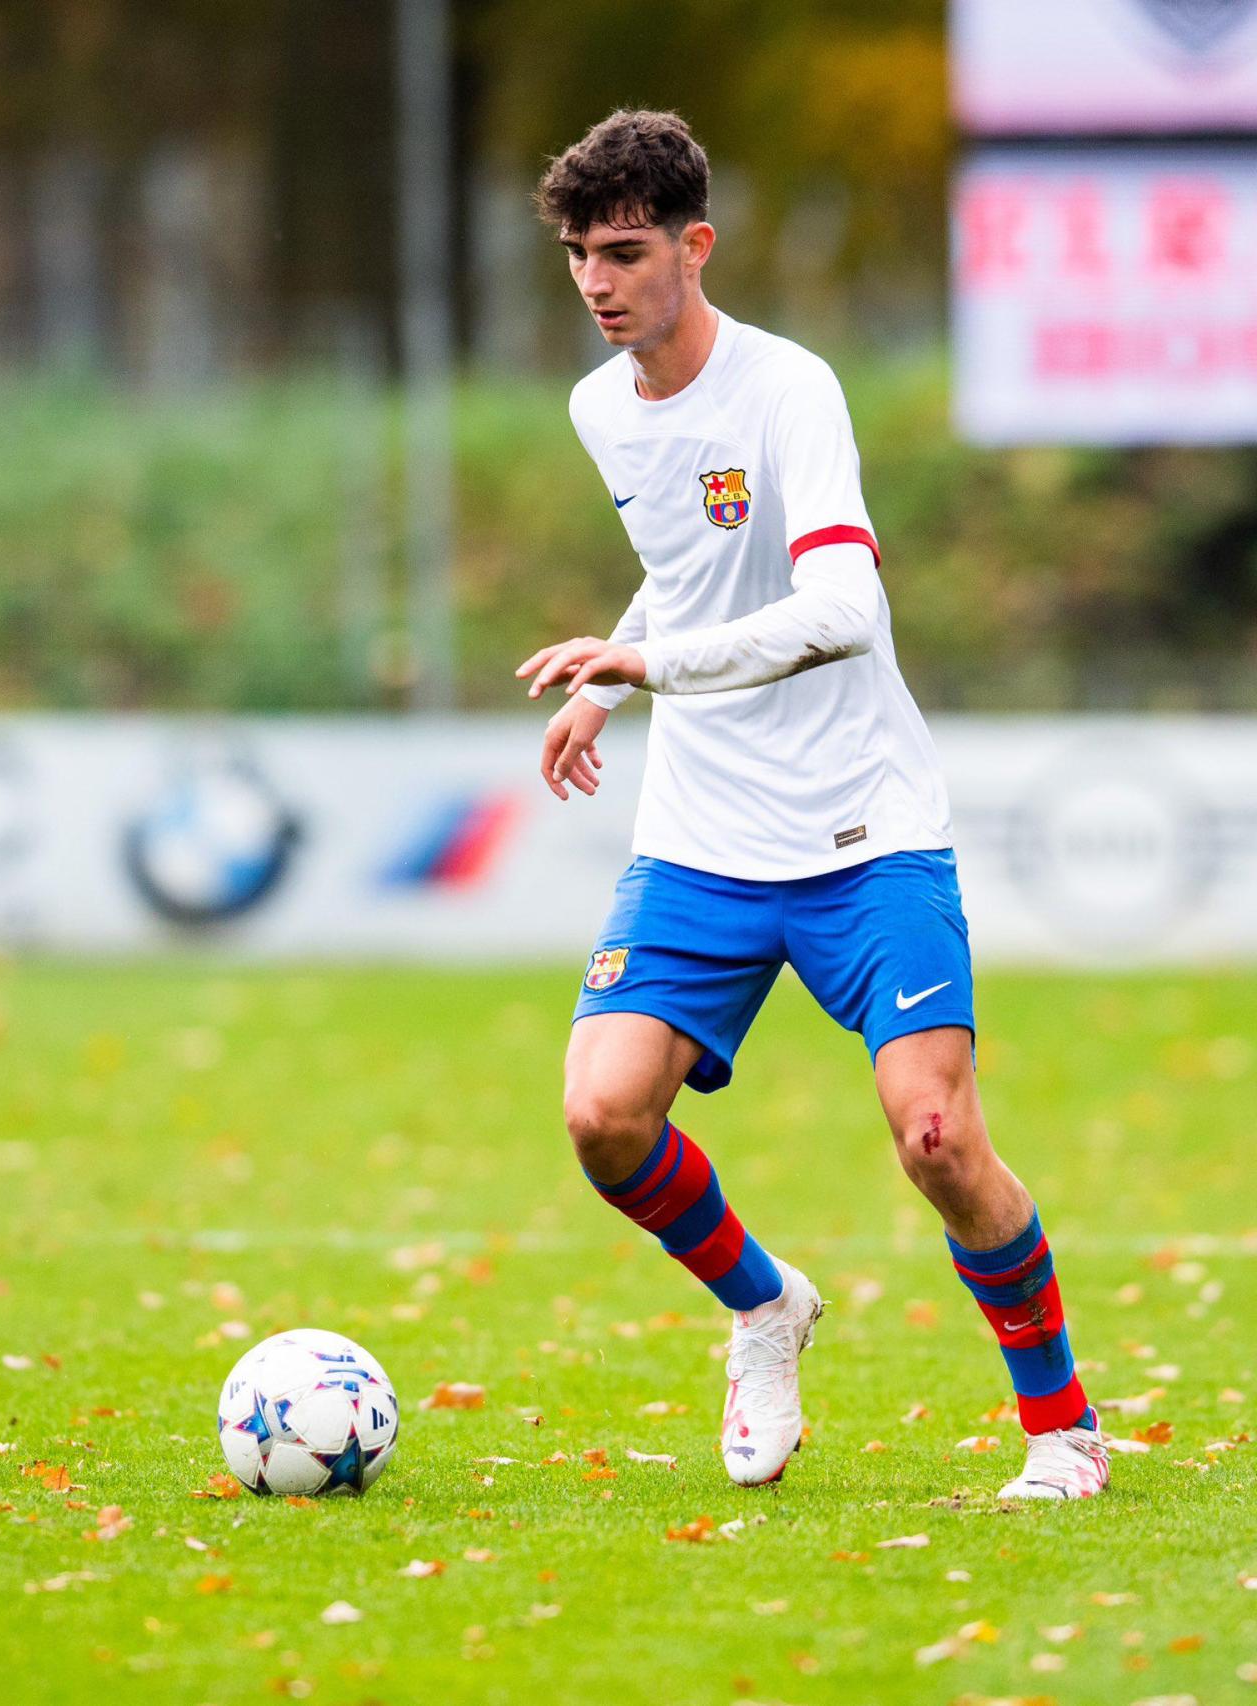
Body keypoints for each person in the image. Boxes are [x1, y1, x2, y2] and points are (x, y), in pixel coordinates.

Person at [516, 109, 1108, 1501]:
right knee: (603, 1117)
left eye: (625, 252)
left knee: (937, 1137)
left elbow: (842, 605)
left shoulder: (792, 390)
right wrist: (610, 682)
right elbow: (692, 558)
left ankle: (1063, 1427)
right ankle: (764, 1303)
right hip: (704, 836)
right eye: (577, 258)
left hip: (862, 826)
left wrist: (646, 667)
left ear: (695, 245)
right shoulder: (601, 406)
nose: (598, 284)